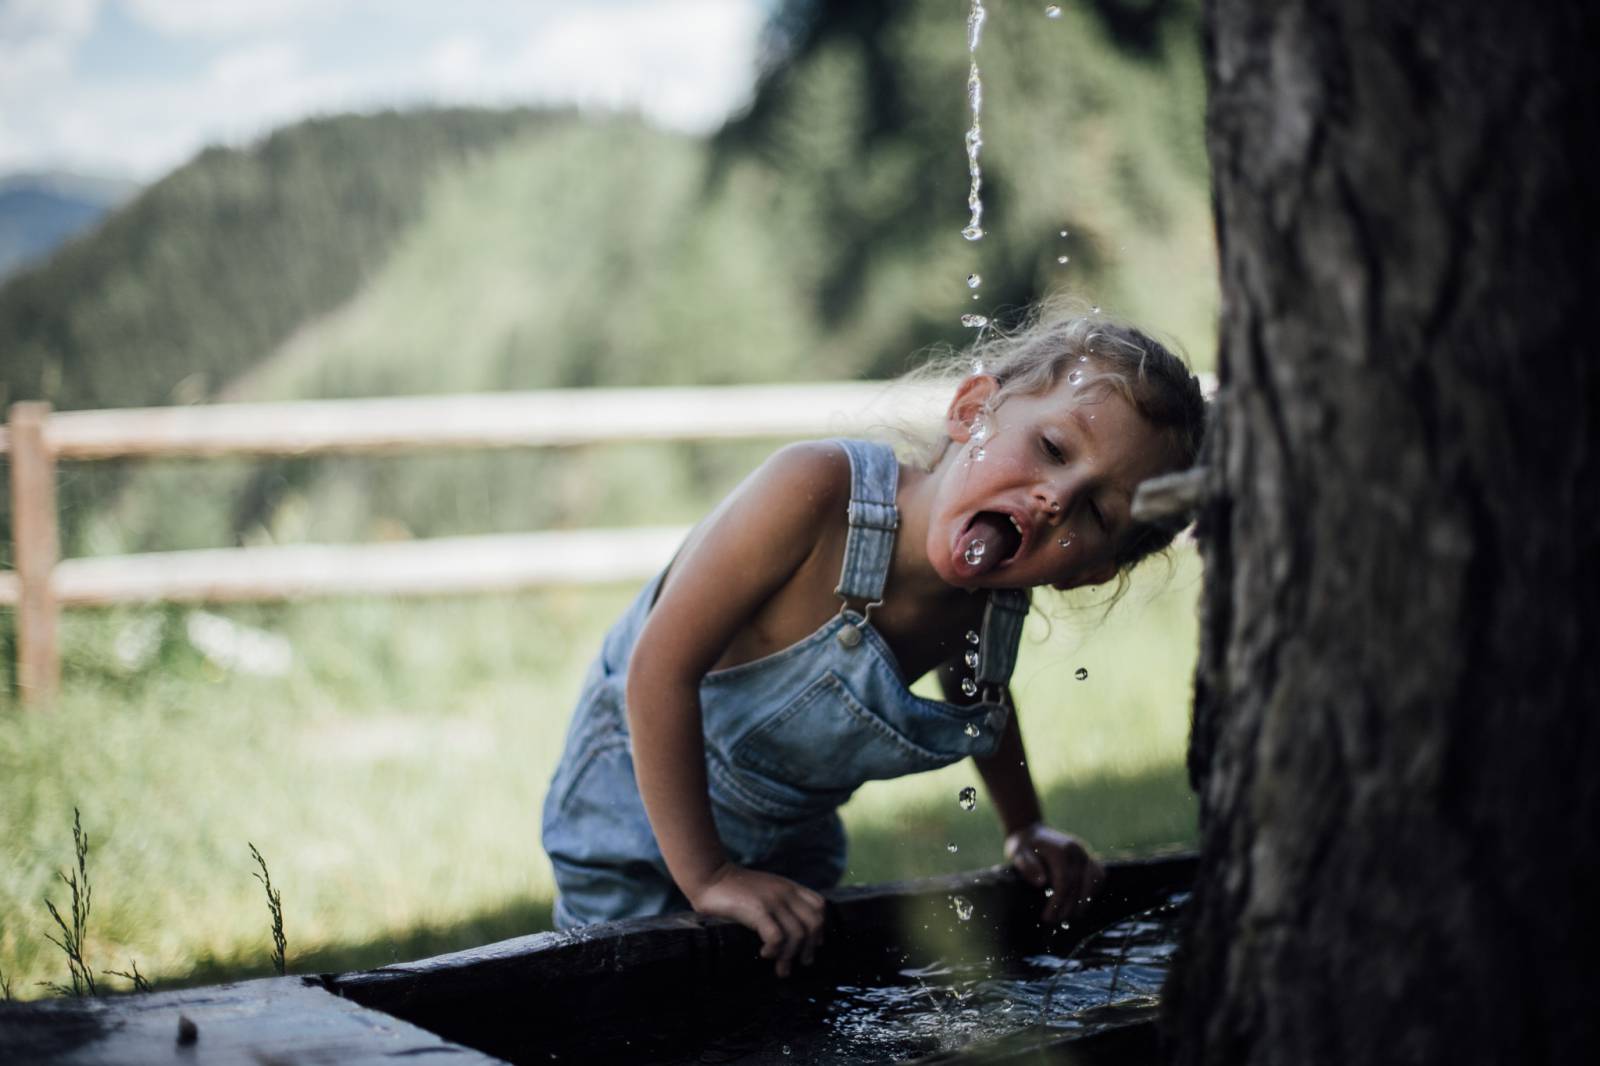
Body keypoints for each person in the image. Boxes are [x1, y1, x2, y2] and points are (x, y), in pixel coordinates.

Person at [541, 305, 1207, 977]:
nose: (1056, 499)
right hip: (630, 804)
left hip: (787, 834)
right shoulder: (818, 494)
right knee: (623, 986)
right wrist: (710, 875)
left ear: (1087, 571)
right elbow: (657, 671)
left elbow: (983, 701)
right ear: (973, 410)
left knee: (770, 995)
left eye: (1096, 512)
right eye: (1053, 448)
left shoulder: (993, 599)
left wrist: (1024, 826)